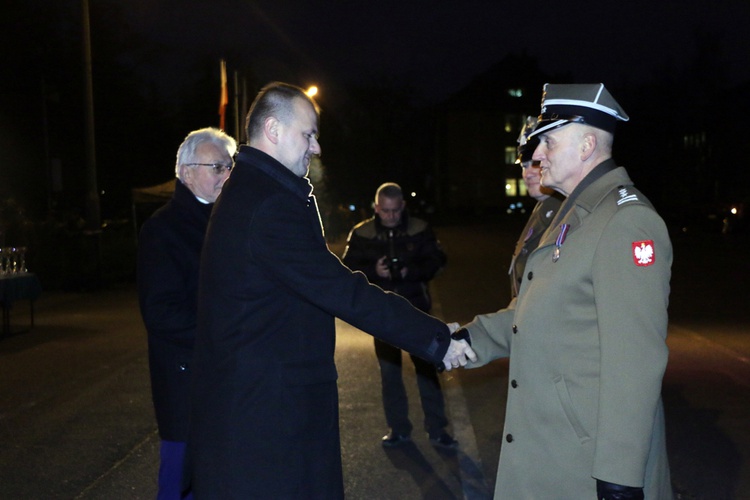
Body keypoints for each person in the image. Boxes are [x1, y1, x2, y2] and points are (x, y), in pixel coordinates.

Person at [187, 82, 474, 499]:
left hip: (264, 412)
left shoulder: (254, 190)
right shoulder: (267, 203)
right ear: (274, 129)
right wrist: (434, 340)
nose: (316, 147)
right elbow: (342, 290)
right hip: (267, 425)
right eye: (309, 134)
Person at [454, 83, 673, 499]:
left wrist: (620, 473)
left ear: (588, 144)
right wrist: (471, 338)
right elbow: (544, 311)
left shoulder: (625, 221)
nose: (537, 155)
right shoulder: (571, 212)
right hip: (555, 448)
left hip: (588, 461)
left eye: (549, 143)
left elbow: (636, 360)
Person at [137, 127, 236, 499]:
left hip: (225, 379)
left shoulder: (225, 222)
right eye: (217, 167)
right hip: (186, 383)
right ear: (186, 170)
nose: (226, 175)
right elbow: (160, 313)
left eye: (229, 167)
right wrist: (226, 330)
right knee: (179, 483)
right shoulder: (163, 229)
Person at [342, 182, 456, 449]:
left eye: (395, 211)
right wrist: (374, 270)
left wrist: (410, 270)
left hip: (417, 310)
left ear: (402, 206)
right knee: (390, 374)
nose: (390, 216)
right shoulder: (362, 232)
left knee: (427, 372)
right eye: (385, 211)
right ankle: (398, 428)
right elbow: (347, 270)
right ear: (376, 208)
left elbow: (437, 260)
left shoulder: (419, 228)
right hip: (382, 316)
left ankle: (438, 429)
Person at [508, 116, 564, 298]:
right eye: (524, 166)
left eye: (535, 163)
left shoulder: (562, 211)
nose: (527, 174)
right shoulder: (542, 207)